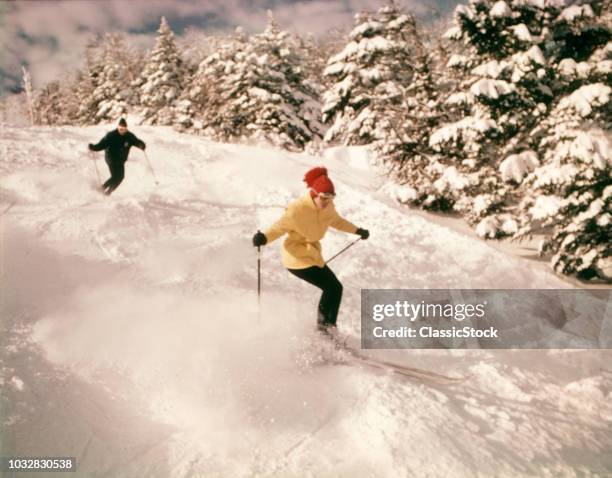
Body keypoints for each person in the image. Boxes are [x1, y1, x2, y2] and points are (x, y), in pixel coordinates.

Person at [252, 167, 369, 333]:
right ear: (314, 194)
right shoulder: (297, 210)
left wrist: (358, 230)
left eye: (331, 197)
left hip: (312, 255)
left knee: (335, 288)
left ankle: (327, 328)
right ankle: (324, 329)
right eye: (323, 197)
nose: (327, 201)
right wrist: (264, 237)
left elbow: (337, 221)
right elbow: (279, 228)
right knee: (331, 288)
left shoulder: (328, 208)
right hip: (296, 258)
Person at [88, 118, 146, 195]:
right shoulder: (111, 135)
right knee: (115, 176)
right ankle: (102, 189)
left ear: (126, 128)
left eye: (124, 129)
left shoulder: (129, 136)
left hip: (121, 160)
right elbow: (102, 144)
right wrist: (94, 147)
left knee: (120, 177)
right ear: (118, 127)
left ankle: (108, 192)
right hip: (111, 158)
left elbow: (137, 142)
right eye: (120, 128)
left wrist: (141, 145)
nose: (122, 131)